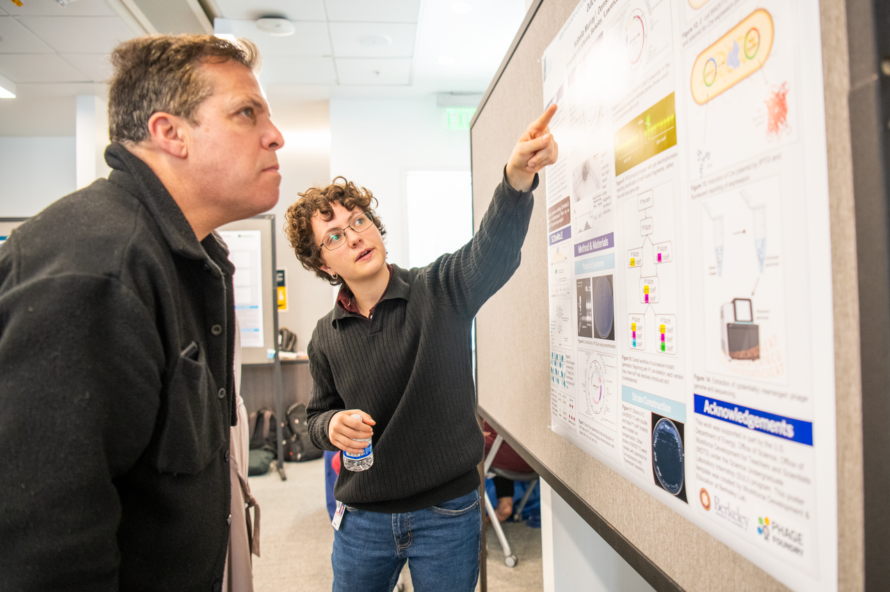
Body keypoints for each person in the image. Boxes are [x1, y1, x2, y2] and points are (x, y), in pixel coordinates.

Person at [0, 35, 284, 591]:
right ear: (169, 133)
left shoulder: (186, 256)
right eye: (246, 113)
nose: (275, 135)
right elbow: (44, 547)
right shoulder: (100, 266)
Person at [284, 105, 558, 591]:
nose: (356, 236)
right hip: (364, 518)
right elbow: (313, 421)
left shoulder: (439, 290)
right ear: (324, 266)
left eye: (360, 220)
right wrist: (332, 426)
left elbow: (491, 250)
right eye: (335, 236)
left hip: (447, 512)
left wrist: (516, 179)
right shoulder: (325, 335)